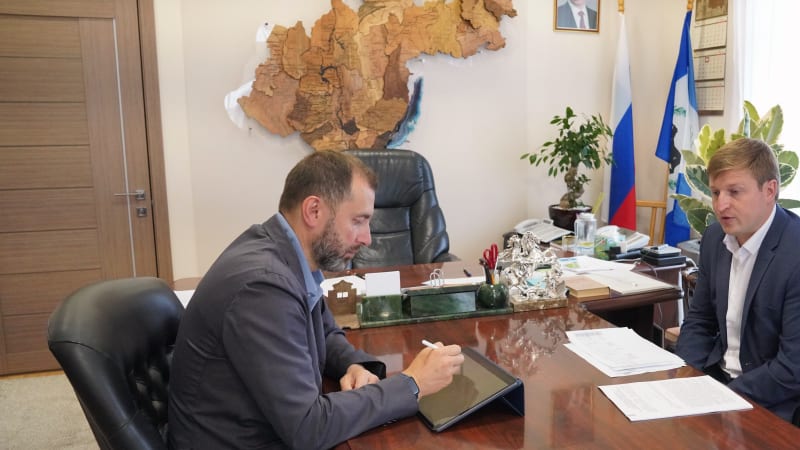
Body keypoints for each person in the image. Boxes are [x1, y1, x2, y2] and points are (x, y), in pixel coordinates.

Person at [168, 150, 465, 449]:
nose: (367, 238)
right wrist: (413, 383)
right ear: (313, 211)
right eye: (358, 221)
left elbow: (324, 331)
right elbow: (309, 428)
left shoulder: (284, 255)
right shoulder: (263, 287)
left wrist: (353, 365)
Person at [676, 138, 800, 422]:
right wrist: (686, 377)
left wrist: (723, 398)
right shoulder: (714, 238)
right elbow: (700, 321)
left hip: (776, 403)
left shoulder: (795, 252)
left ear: (770, 190)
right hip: (717, 382)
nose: (721, 205)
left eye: (734, 192)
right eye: (716, 192)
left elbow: (793, 366)